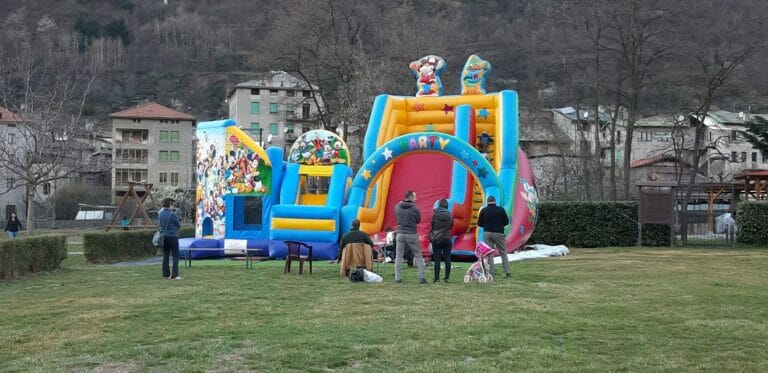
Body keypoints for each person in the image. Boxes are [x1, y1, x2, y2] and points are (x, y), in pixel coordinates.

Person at [394, 190, 426, 284]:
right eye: (415, 197)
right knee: (418, 255)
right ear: (411, 197)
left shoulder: (397, 207)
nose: (416, 199)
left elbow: (397, 217)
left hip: (400, 233)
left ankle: (398, 278)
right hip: (412, 233)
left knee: (399, 256)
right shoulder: (415, 209)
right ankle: (421, 278)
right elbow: (418, 220)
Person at [477, 195, 510, 278]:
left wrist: (486, 225)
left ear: (487, 202)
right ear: (495, 201)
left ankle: (491, 273)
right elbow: (506, 222)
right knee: (503, 252)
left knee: (489, 253)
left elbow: (479, 223)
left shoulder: (484, 210)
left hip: (487, 233)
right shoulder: (500, 210)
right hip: (499, 233)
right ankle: (507, 272)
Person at [429, 199, 454, 283]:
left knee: (437, 259)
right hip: (447, 238)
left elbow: (432, 224)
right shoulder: (450, 215)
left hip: (437, 239)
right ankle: (447, 278)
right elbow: (451, 226)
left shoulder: (435, 214)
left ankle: (436, 279)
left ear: (439, 205)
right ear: (446, 206)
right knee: (447, 258)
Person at [158, 198, 182, 280]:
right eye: (172, 204)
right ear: (170, 205)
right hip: (172, 236)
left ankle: (165, 275)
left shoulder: (160, 214)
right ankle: (175, 275)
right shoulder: (172, 214)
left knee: (165, 256)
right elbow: (179, 225)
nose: (173, 206)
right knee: (175, 255)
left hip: (164, 237)